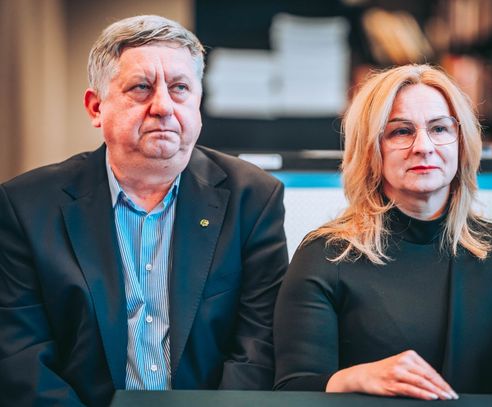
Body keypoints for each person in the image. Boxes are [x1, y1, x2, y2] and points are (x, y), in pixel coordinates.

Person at [0, 15, 288, 406]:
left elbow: (258, 344)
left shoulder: (253, 197)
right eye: (141, 87)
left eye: (180, 88)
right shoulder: (25, 206)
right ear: (96, 107)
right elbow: (21, 356)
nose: (164, 107)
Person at [273, 64, 492, 400]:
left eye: (439, 128)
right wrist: (356, 378)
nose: (423, 146)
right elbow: (293, 389)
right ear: (370, 149)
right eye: (401, 131)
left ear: (462, 142)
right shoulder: (325, 256)